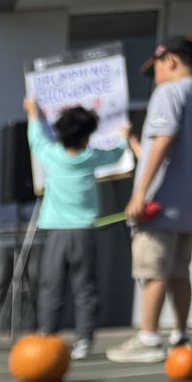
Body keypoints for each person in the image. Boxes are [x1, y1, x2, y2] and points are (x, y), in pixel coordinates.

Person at [107, 34, 192, 363]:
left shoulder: (169, 91)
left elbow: (164, 140)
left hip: (159, 204)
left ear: (169, 60)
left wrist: (139, 193)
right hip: (186, 207)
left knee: (152, 268)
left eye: (154, 68)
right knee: (179, 271)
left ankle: (149, 336)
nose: (154, 77)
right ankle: (181, 334)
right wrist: (131, 140)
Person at [23, 98, 129, 360]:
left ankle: (47, 333)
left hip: (56, 231)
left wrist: (34, 114)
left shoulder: (52, 155)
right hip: (84, 232)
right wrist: (125, 138)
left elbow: (35, 138)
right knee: (85, 287)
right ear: (87, 136)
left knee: (51, 285)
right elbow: (117, 153)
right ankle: (84, 339)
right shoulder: (91, 157)